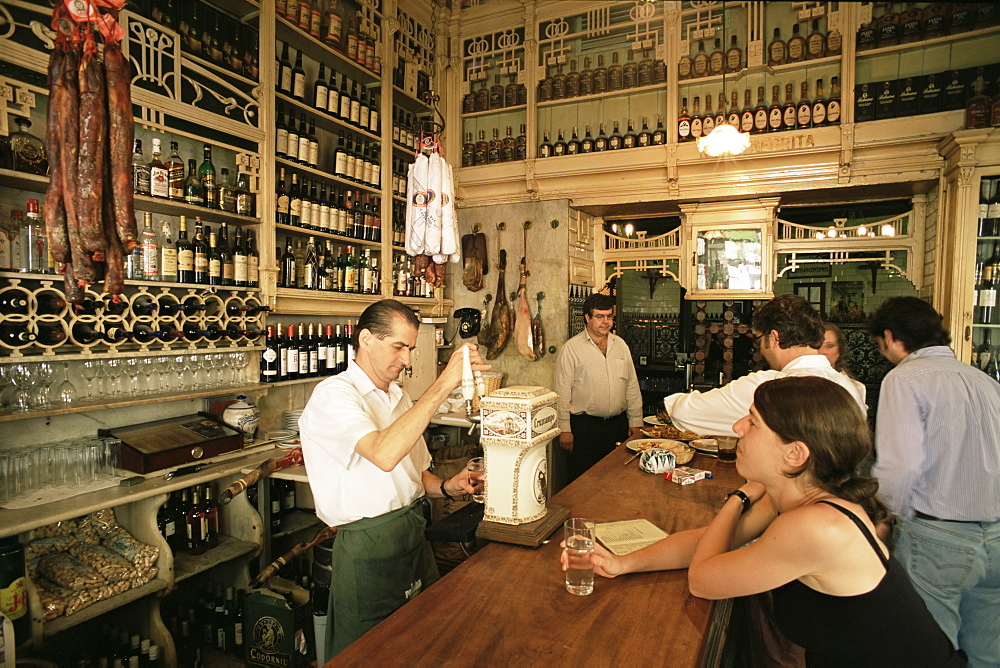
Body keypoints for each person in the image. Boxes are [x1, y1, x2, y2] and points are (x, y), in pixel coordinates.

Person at [562, 376, 964, 667]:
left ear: (795, 455)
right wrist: (622, 563)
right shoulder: (800, 500)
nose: (737, 428)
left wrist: (739, 495)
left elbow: (703, 578)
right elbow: (706, 541)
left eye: (752, 422)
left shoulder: (816, 525)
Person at [298, 299, 489, 659]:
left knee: (423, 642)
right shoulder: (334, 395)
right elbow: (384, 454)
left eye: (411, 349)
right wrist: (445, 382)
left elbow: (415, 475)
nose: (407, 360)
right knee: (369, 654)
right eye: (399, 346)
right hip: (367, 548)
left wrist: (449, 486)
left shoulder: (399, 397)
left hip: (413, 535)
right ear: (366, 339)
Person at [868, 296, 999, 666]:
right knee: (988, 652)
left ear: (890, 337)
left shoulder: (904, 378)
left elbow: (901, 465)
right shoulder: (984, 380)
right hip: (998, 534)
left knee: (928, 651)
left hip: (940, 537)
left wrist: (886, 515)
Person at [663, 295, 866, 436]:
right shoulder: (851, 386)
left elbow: (685, 413)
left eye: (759, 339)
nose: (760, 347)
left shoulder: (767, 387)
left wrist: (675, 401)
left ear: (774, 337)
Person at [554, 293, 643, 483]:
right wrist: (564, 429)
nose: (606, 322)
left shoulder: (621, 345)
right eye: (600, 316)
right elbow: (562, 392)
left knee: (617, 480)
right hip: (585, 429)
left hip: (618, 426)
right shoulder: (571, 349)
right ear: (587, 317)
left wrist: (636, 421)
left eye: (609, 316)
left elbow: (632, 386)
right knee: (583, 482)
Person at [821, 321, 867, 404]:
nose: (823, 351)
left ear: (840, 349)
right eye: (818, 345)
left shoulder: (855, 387)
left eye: (830, 346)